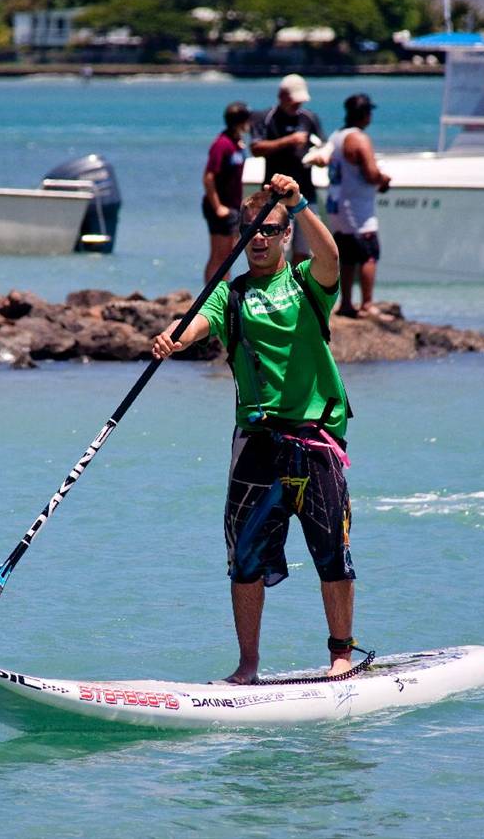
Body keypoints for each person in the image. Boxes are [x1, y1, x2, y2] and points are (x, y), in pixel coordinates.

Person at [151, 173, 358, 685]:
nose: (259, 240)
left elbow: (333, 259)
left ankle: (341, 653)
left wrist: (299, 203)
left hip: (314, 441)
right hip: (256, 445)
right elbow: (197, 322)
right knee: (243, 559)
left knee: (331, 552)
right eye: (251, 232)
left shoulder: (307, 282)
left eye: (269, 230)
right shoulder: (230, 294)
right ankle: (248, 665)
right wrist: (176, 339)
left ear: (286, 236)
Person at [325, 93, 391, 318]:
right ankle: (367, 304)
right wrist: (384, 179)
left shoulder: (336, 136)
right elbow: (371, 174)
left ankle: (345, 303)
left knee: (347, 256)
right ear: (364, 114)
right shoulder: (359, 138)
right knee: (368, 254)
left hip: (337, 206)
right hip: (357, 209)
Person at [250, 75, 324, 266]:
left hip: (306, 192)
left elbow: (322, 144)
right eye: (293, 101)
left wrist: (321, 157)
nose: (296, 106)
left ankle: (299, 288)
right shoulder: (266, 118)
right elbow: (256, 148)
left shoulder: (309, 117)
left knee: (305, 247)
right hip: (276, 196)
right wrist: (288, 141)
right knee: (279, 246)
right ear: (282, 96)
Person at [201, 101, 251, 283]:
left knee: (229, 256)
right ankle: (211, 298)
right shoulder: (222, 144)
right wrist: (218, 207)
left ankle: (222, 292)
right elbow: (208, 177)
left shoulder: (237, 143)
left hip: (233, 206)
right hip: (221, 208)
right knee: (219, 256)